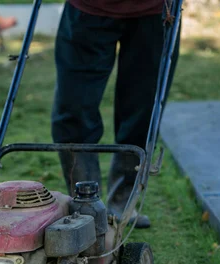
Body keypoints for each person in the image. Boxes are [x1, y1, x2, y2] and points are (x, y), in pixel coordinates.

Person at [51, 0, 180, 228]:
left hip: (156, 12)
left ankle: (122, 203)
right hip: (86, 9)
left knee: (143, 112)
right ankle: (85, 205)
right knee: (73, 109)